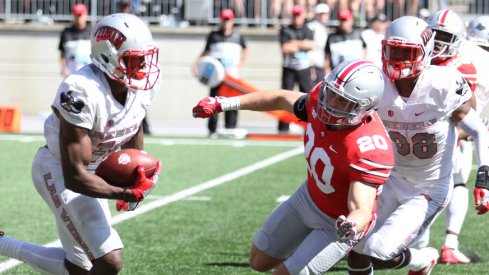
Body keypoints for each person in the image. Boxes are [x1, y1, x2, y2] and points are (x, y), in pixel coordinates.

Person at [193, 59, 395, 274]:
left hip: (336, 223)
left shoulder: (368, 147)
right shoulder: (319, 100)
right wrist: (224, 103)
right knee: (259, 261)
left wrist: (351, 225)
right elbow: (280, 98)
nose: (331, 102)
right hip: (307, 198)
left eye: (342, 101)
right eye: (331, 93)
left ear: (364, 107)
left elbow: (362, 208)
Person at [0, 13, 161, 274]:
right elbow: (75, 176)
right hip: (60, 170)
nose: (144, 66)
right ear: (107, 55)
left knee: (80, 267)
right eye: (134, 60)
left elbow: (134, 119)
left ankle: (3, 245)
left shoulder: (140, 82)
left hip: (94, 171)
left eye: (146, 57)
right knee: (109, 261)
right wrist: (123, 192)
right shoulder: (80, 91)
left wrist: (134, 171)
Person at [345, 16, 489, 275]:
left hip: (427, 189)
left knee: (378, 251)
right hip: (388, 179)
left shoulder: (443, 83)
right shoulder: (377, 82)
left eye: (406, 52)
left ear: (425, 52)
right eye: (393, 50)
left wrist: (484, 177)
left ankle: (423, 260)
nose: (398, 58)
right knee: (354, 246)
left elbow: (479, 130)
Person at [428, 9, 477, 265]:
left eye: (443, 36)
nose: (437, 41)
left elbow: (471, 112)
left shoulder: (461, 67)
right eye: (433, 34)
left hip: (451, 138)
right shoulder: (417, 59)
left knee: (456, 184)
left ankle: (448, 244)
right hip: (419, 137)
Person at [192, 8, 248, 137]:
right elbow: (205, 52)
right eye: (224, 20)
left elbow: (246, 50)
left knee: (232, 102)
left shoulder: (238, 37)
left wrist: (240, 62)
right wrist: (196, 64)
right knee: (213, 101)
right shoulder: (213, 35)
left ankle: (230, 128)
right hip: (216, 76)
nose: (226, 23)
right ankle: (212, 129)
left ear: (232, 21)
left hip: (232, 76)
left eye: (228, 20)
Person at [277, 4, 315, 133]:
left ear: (303, 16)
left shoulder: (308, 30)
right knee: (284, 97)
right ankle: (283, 128)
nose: (297, 18)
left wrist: (294, 43)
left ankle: (308, 127)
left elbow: (311, 45)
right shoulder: (286, 30)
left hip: (304, 68)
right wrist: (302, 44)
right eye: (295, 15)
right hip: (289, 68)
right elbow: (285, 48)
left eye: (299, 15)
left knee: (308, 97)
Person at [324, 9, 366, 75]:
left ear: (351, 20)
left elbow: (365, 48)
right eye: (342, 20)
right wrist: (327, 69)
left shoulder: (357, 34)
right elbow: (327, 55)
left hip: (357, 72)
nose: (344, 23)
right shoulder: (332, 37)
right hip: (338, 73)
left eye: (345, 20)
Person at [58, 3, 91, 77]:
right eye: (76, 15)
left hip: (89, 74)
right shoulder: (66, 33)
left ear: (85, 15)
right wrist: (64, 69)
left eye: (80, 15)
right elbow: (62, 54)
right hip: (71, 74)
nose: (78, 18)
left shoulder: (92, 32)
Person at [307, 3, 330, 84]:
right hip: (313, 67)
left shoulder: (324, 28)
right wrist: (311, 67)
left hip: (321, 67)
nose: (323, 16)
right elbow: (309, 48)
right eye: (321, 14)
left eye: (325, 14)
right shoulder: (311, 27)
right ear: (316, 15)